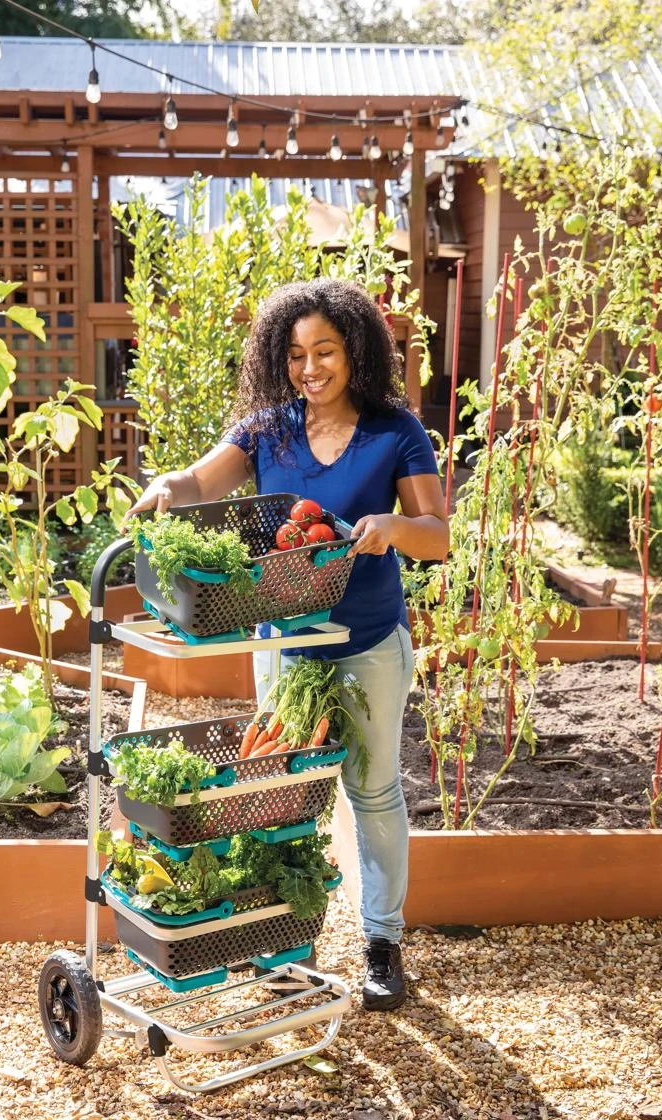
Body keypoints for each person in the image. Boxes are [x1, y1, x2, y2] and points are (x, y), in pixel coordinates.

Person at [125, 278, 449, 1011]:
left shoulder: (395, 431)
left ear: (355, 349)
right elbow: (199, 480)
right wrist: (169, 487)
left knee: (372, 791)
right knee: (277, 794)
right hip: (284, 647)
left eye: (324, 351)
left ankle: (382, 943)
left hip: (367, 641)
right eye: (296, 355)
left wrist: (393, 527)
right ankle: (282, 936)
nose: (310, 368)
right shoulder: (267, 430)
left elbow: (438, 536)